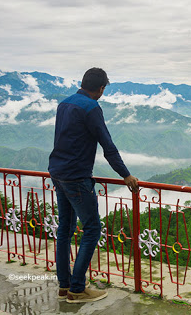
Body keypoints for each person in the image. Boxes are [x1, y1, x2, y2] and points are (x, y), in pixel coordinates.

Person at [48, 67, 138, 303]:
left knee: (65, 231)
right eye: (104, 89)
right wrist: (125, 175)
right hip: (77, 177)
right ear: (101, 87)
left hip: (57, 172)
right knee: (92, 229)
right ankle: (77, 289)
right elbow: (108, 146)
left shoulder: (64, 103)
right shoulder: (91, 108)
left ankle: (64, 285)